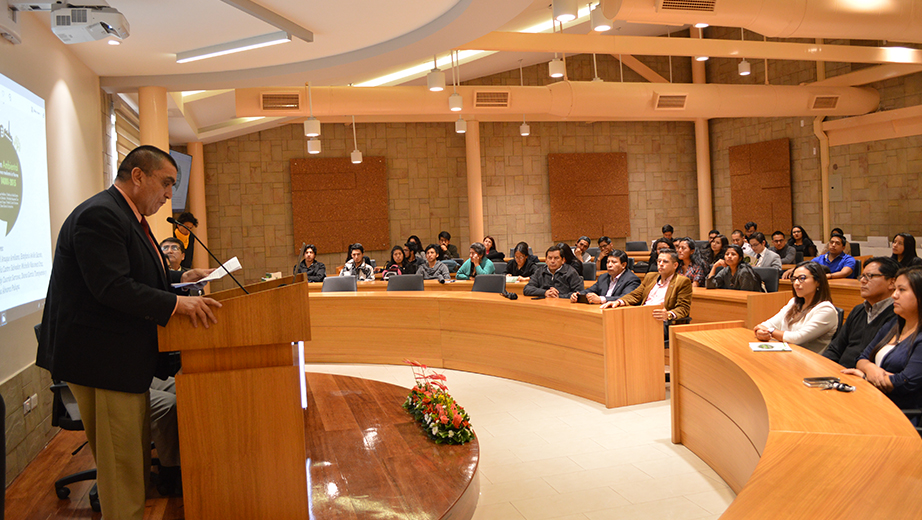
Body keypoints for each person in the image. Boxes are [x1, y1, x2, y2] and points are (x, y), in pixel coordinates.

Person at [36, 145, 222, 520]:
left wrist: (178, 279)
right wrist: (175, 304)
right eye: (166, 183)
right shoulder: (100, 216)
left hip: (120, 361)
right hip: (101, 362)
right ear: (138, 176)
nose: (170, 194)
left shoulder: (125, 214)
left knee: (131, 462)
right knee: (122, 470)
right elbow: (111, 287)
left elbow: (133, 275)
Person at [842, 266, 922, 416]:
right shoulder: (894, 325)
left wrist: (866, 376)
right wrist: (872, 369)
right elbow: (862, 358)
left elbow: (906, 382)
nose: (894, 296)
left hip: (901, 414)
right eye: (895, 289)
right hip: (874, 400)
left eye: (902, 290)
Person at [823, 257, 898, 369]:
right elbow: (835, 348)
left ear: (892, 282)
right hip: (839, 373)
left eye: (870, 276)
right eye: (862, 276)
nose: (863, 280)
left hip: (864, 378)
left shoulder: (897, 315)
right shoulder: (858, 310)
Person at [753, 261, 838, 353]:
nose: (796, 283)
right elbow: (768, 324)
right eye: (794, 279)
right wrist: (761, 332)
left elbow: (798, 338)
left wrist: (770, 331)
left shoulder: (826, 310)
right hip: (788, 356)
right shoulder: (794, 302)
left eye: (802, 278)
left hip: (809, 362)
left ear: (818, 282)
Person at [601, 249, 693, 326]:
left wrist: (668, 315)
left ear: (675, 265)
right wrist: (618, 301)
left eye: (665, 261)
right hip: (643, 316)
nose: (660, 264)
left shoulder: (682, 282)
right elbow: (635, 295)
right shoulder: (650, 277)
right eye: (659, 261)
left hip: (661, 322)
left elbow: (683, 308)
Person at [571, 250, 640, 304]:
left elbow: (625, 298)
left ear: (623, 265)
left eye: (614, 262)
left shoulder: (632, 279)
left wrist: (601, 299)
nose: (609, 265)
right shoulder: (603, 277)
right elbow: (590, 290)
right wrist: (578, 295)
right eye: (608, 262)